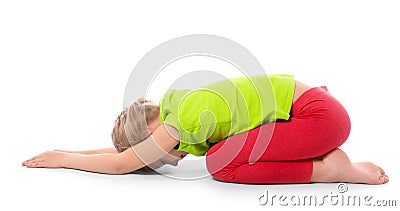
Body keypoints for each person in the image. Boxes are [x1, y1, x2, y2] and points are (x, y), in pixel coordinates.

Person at [22, 74, 389, 184]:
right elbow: (124, 157)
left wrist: (62, 158)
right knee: (220, 156)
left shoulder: (179, 118)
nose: (171, 161)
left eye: (155, 156)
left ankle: (330, 170)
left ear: (151, 131)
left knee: (219, 164)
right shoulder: (184, 110)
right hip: (313, 115)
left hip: (319, 118)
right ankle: (322, 160)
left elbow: (122, 164)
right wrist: (71, 151)